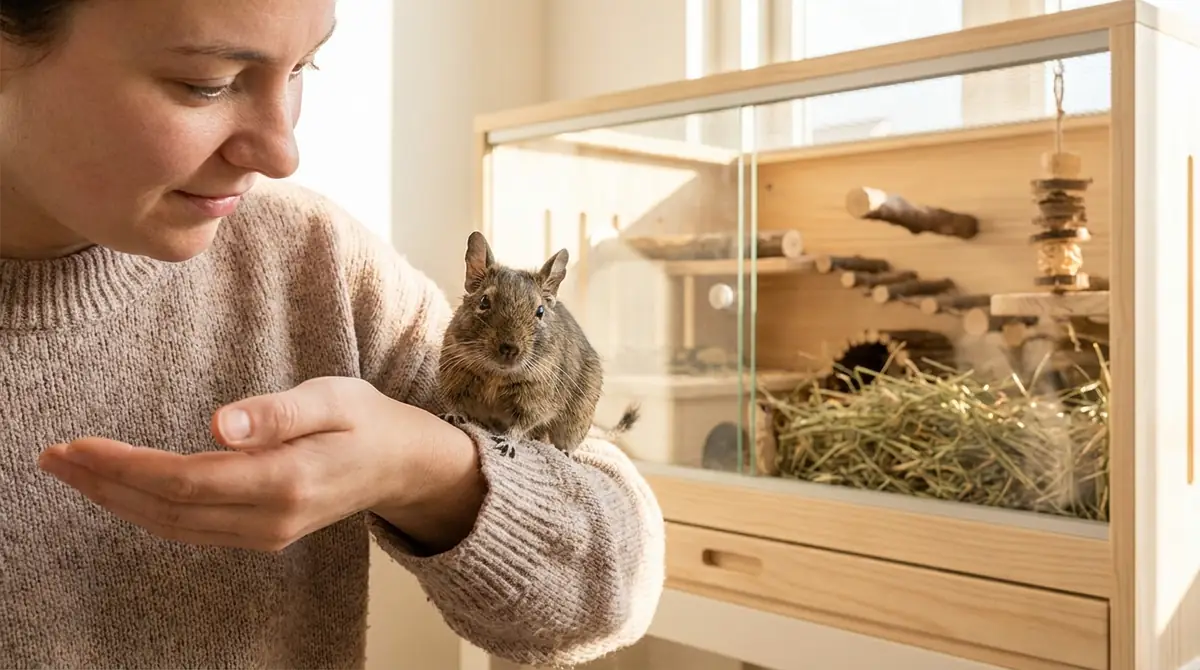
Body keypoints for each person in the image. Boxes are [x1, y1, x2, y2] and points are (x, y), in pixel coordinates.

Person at [0, 1, 666, 668]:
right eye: (206, 82)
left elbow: (614, 587)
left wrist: (429, 472)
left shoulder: (316, 264)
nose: (282, 152)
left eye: (303, 66)